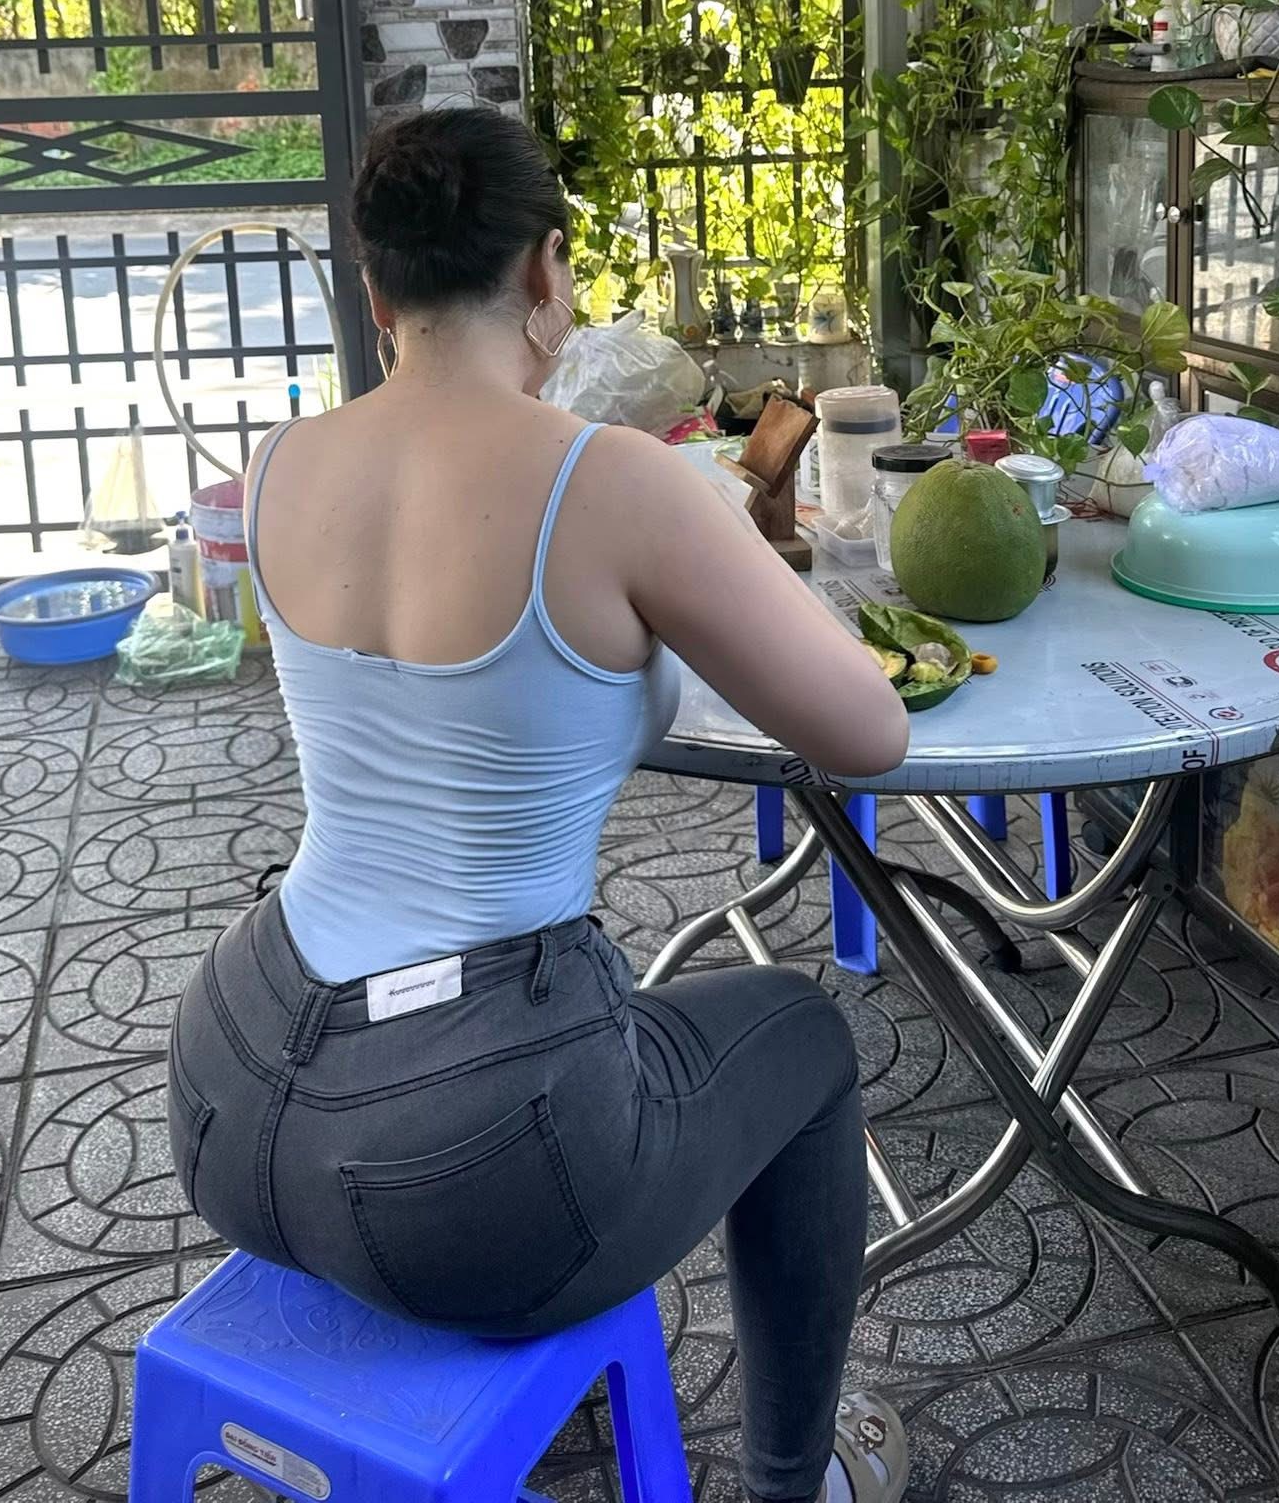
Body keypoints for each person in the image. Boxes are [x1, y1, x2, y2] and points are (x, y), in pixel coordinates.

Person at [167, 107, 913, 1503]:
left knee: (584, 1039)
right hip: (464, 1165)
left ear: (376, 290)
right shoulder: (611, 478)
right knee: (804, 1036)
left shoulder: (281, 462)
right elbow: (865, 730)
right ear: (545, 274)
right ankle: (796, 1479)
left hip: (227, 1090)